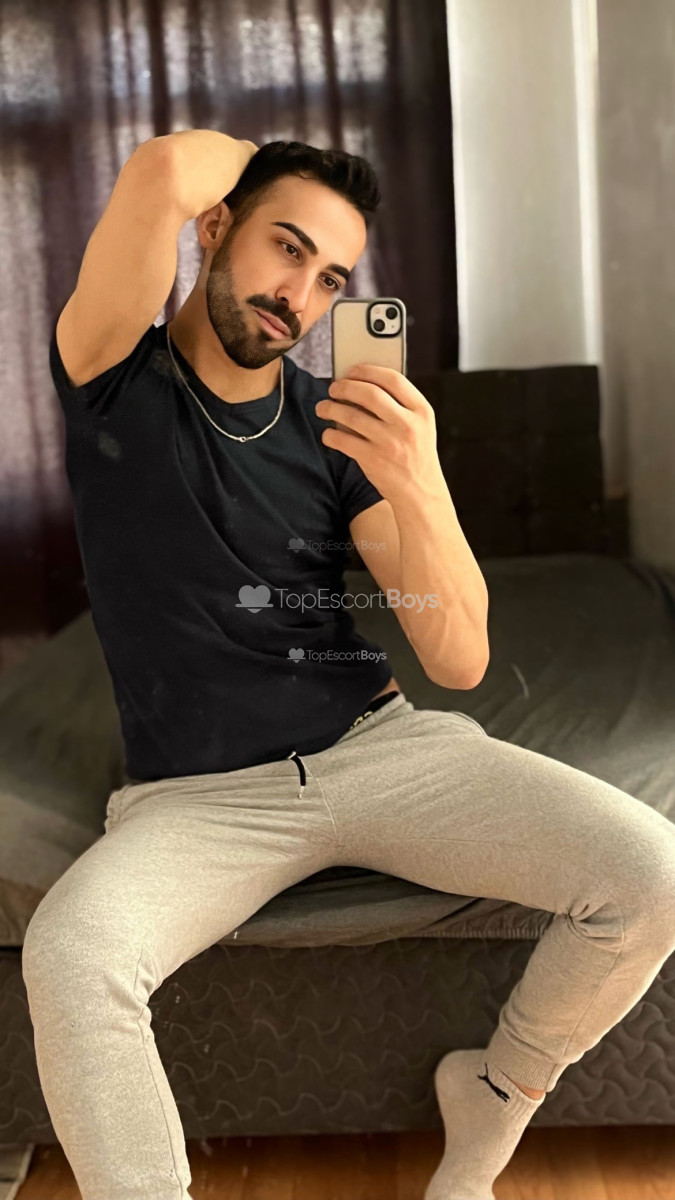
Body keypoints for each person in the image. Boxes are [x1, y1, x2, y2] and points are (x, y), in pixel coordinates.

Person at [22, 130, 675, 1200]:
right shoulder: (112, 374)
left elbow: (458, 658)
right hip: (200, 801)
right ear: (215, 226)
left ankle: (494, 1096)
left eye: (331, 277)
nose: (301, 296)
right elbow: (160, 171)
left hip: (379, 751)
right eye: (287, 247)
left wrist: (420, 480)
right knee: (70, 952)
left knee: (653, 874)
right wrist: (269, 159)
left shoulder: (335, 430)